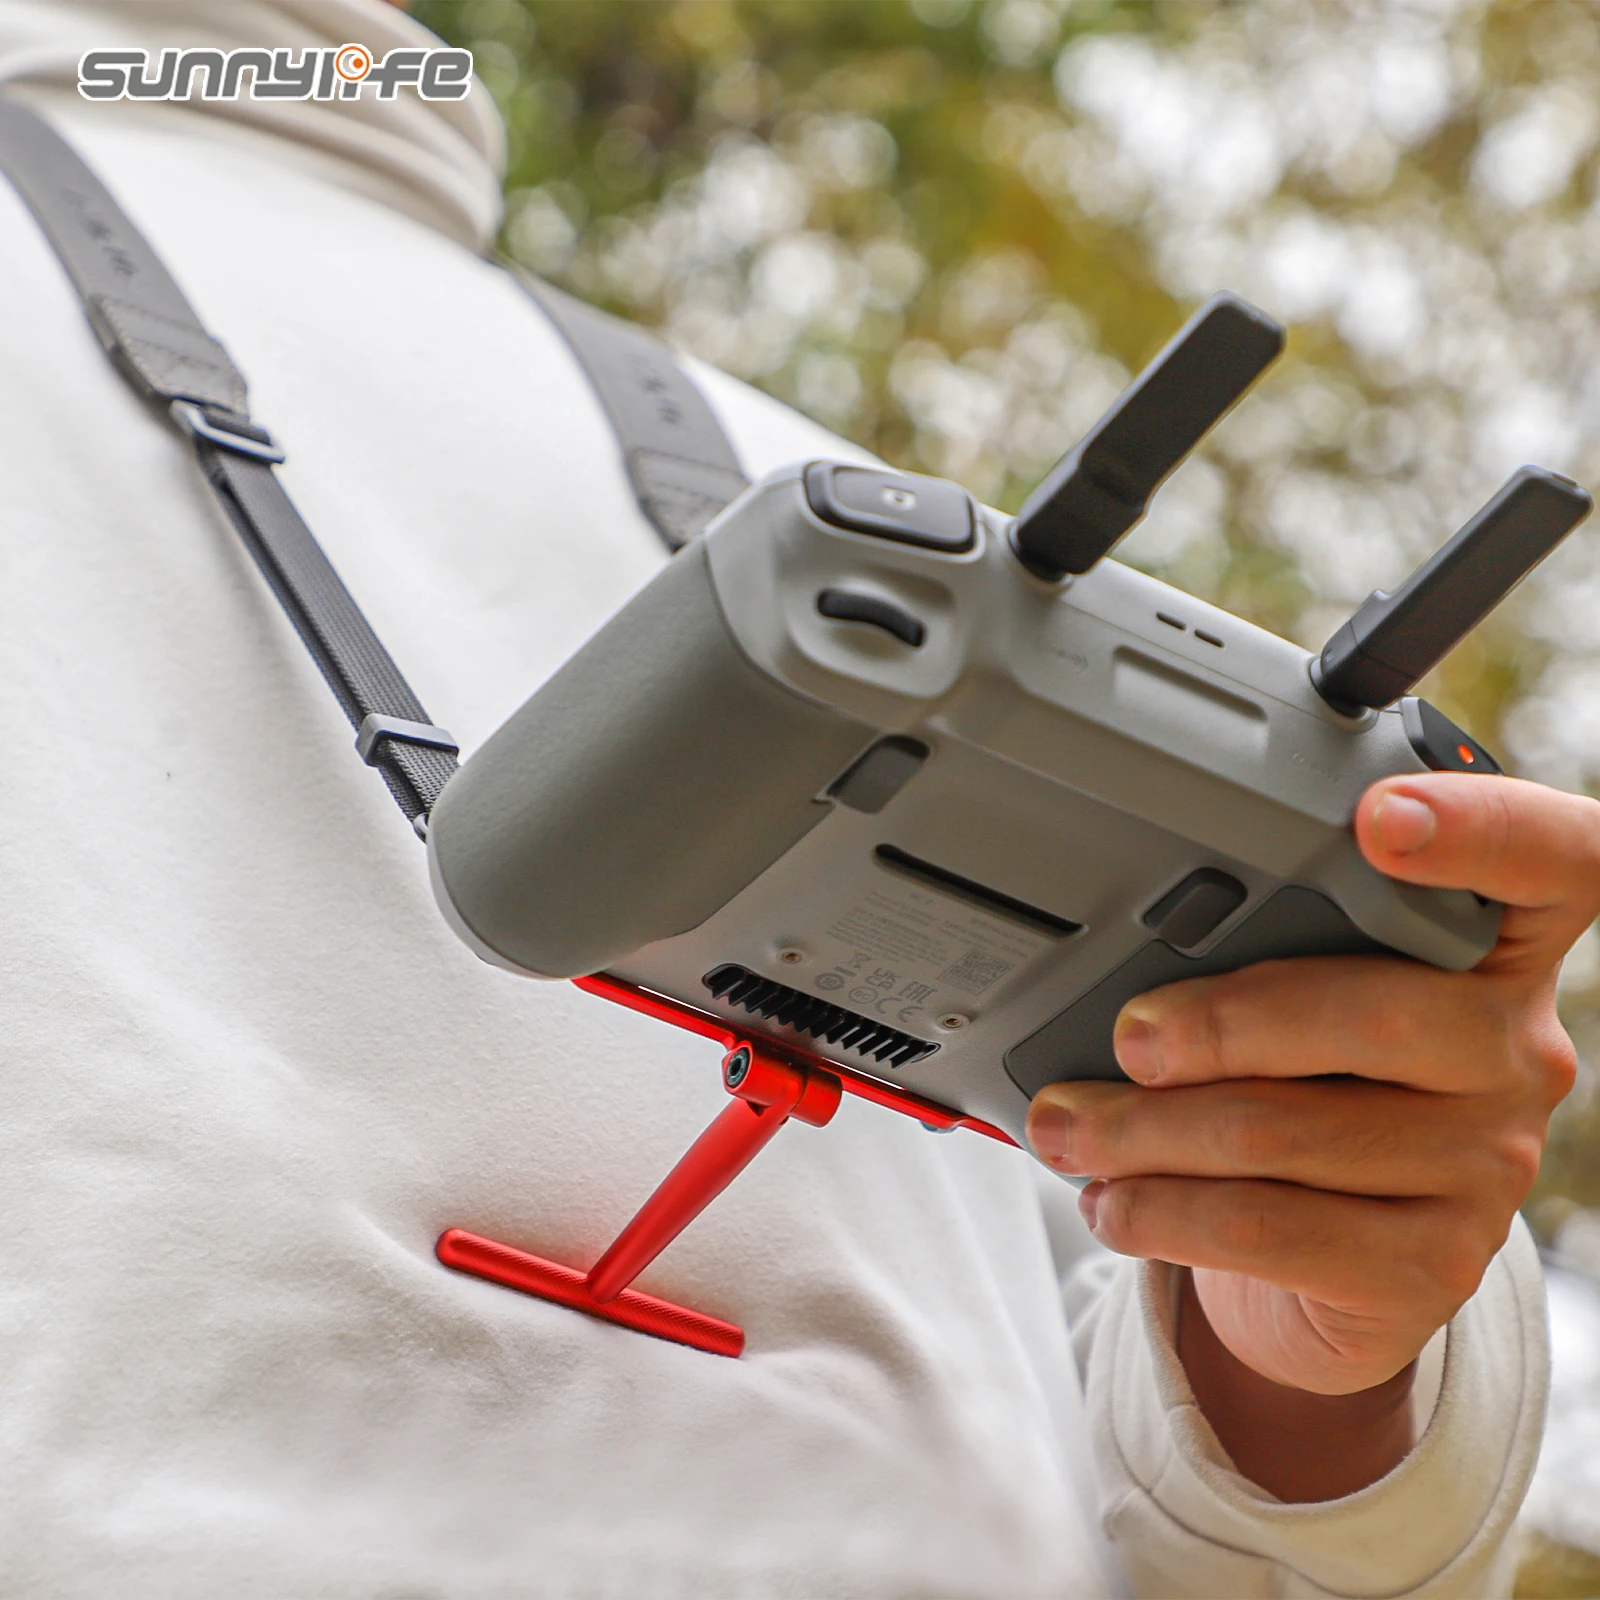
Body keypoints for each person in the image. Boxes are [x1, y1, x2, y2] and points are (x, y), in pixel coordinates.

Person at [0, 2, 1584, 1595]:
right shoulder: (832, 504)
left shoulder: (829, 511)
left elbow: (1214, 1484)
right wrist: (1316, 1389)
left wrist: (1321, 1327)